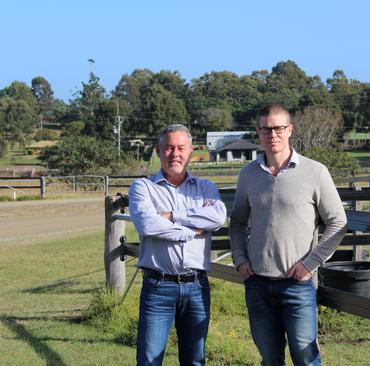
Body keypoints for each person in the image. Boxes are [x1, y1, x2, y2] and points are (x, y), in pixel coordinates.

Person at [229, 103, 347, 366]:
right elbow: (237, 221)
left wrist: (310, 263)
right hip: (257, 283)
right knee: (270, 359)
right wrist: (239, 259)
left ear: (290, 129)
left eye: (279, 128)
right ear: (258, 132)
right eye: (266, 129)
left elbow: (338, 222)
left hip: (298, 285)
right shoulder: (248, 175)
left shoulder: (315, 172)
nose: (273, 135)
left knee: (306, 358)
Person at [128, 124, 227, 366]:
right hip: (158, 286)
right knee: (149, 360)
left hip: (196, 286)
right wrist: (193, 231)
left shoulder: (206, 187)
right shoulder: (143, 187)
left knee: (195, 360)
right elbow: (148, 225)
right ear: (158, 150)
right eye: (169, 147)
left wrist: (172, 216)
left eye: (181, 148)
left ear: (191, 151)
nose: (175, 154)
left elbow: (217, 218)